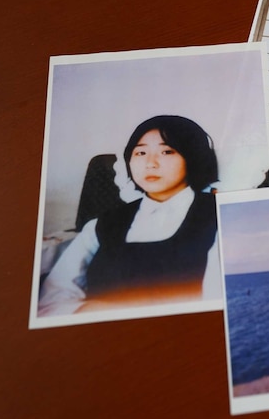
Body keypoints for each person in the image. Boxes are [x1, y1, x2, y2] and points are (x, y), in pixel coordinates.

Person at [38, 115, 221, 315]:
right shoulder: (103, 224)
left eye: (167, 151)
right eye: (140, 152)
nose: (150, 163)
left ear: (193, 157)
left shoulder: (219, 216)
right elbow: (52, 300)